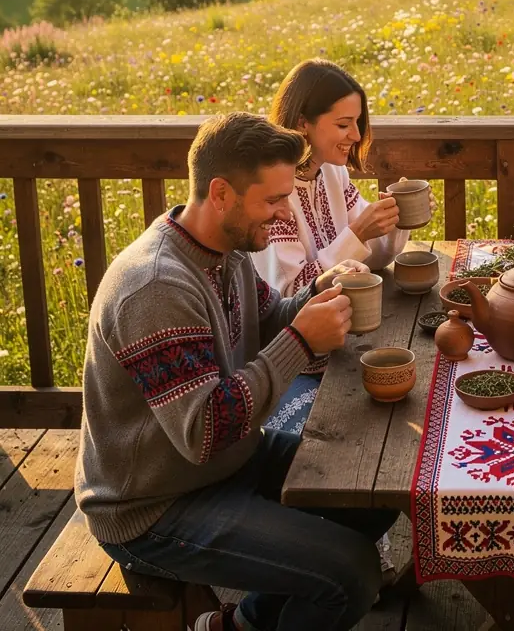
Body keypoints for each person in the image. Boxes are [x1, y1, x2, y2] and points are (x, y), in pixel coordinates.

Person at [75, 112, 397, 631]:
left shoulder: (225, 249)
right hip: (154, 505)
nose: (282, 212)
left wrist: (316, 295)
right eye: (272, 201)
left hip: (230, 462)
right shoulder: (157, 289)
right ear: (221, 193)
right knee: (351, 573)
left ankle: (240, 624)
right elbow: (206, 431)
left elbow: (270, 318)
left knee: (373, 488)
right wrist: (300, 341)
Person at [256, 58, 435, 433]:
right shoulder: (275, 194)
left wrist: (395, 220)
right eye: (343, 124)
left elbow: (377, 257)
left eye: (357, 123)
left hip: (346, 346)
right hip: (299, 364)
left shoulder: (332, 173)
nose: (355, 135)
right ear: (303, 122)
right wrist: (356, 234)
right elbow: (292, 294)